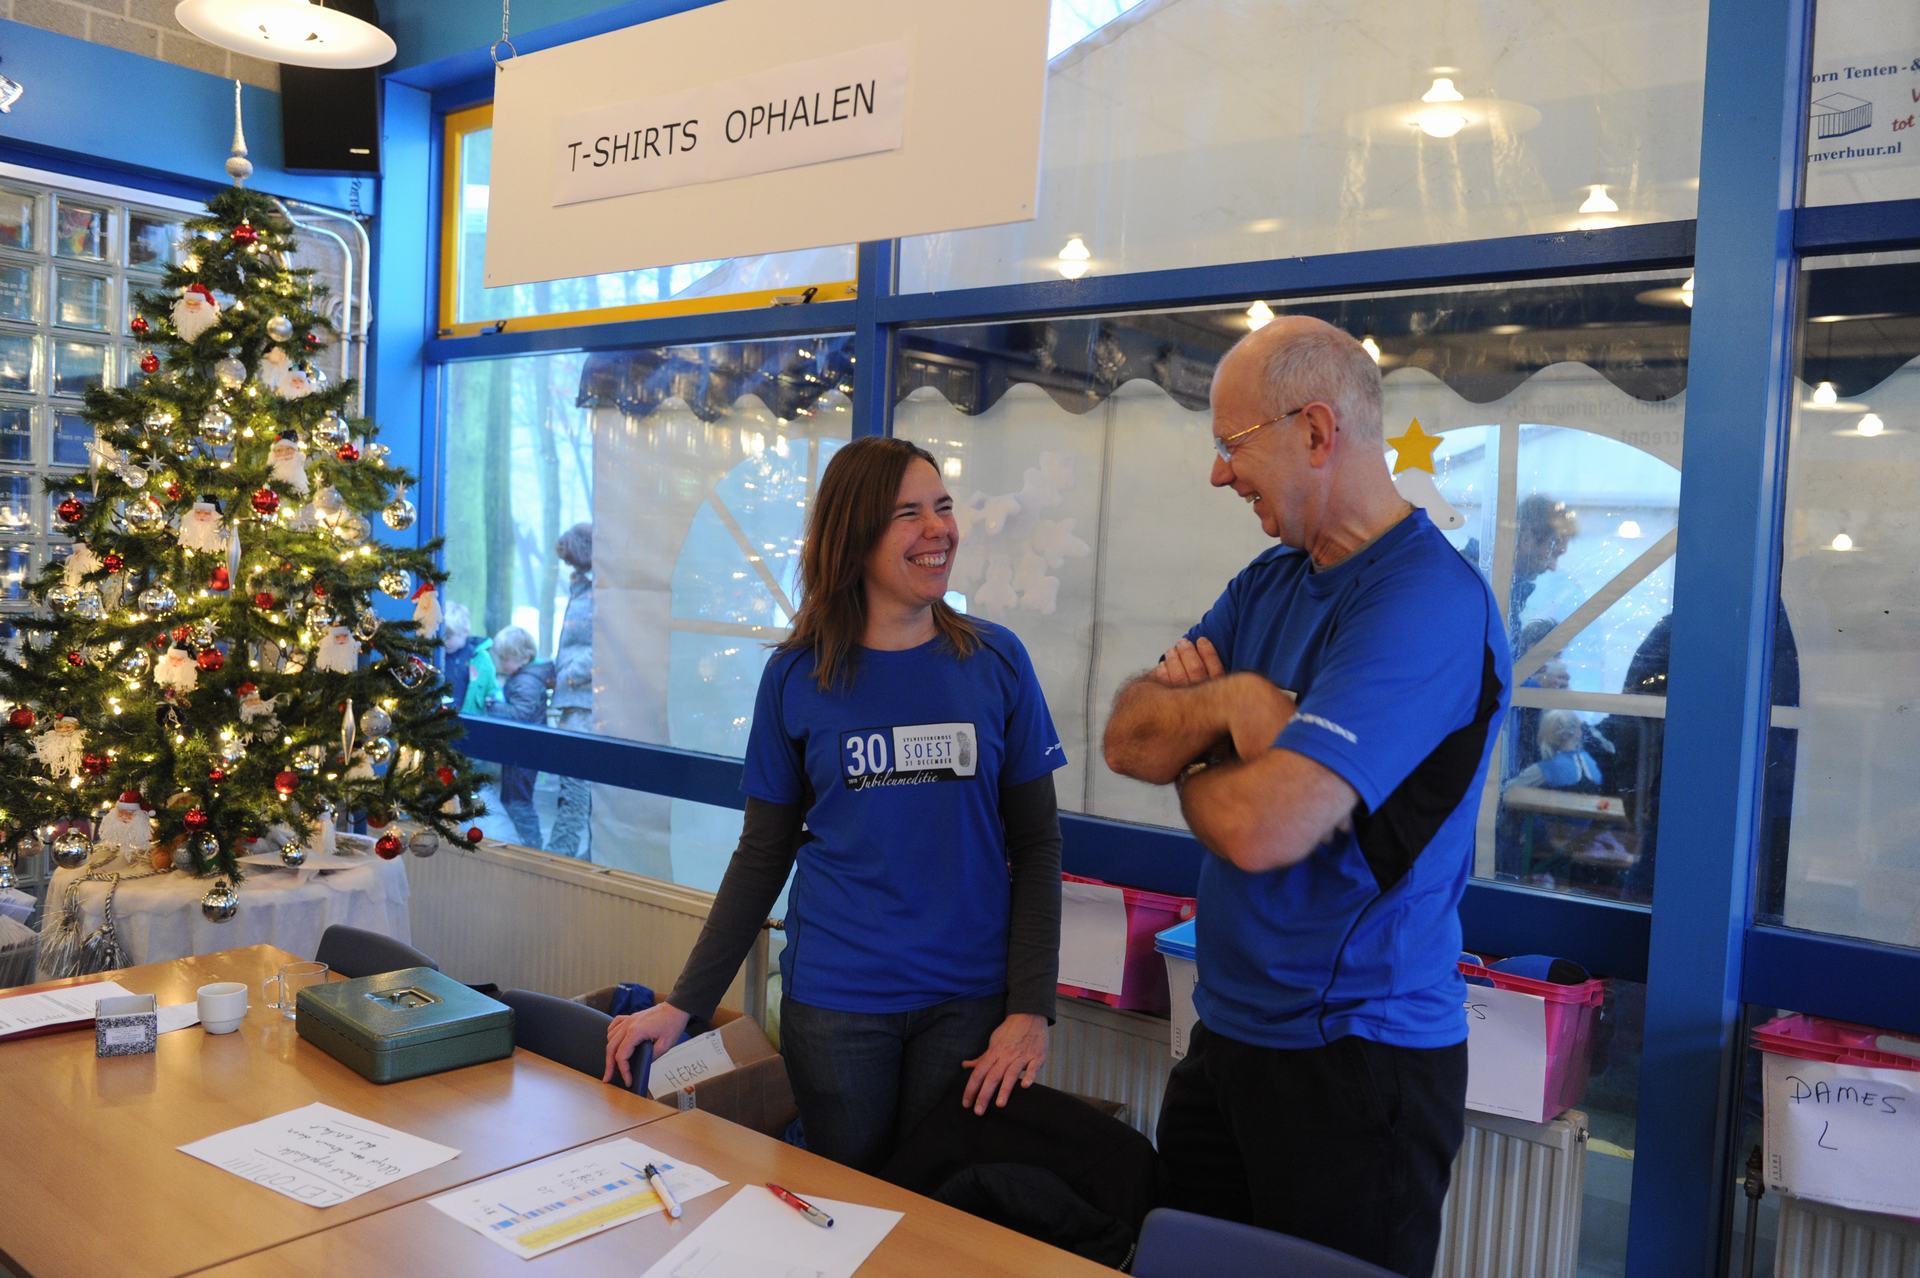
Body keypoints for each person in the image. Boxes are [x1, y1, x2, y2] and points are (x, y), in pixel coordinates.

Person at [1102, 317, 1511, 1278]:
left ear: (1318, 432)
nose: (1218, 475)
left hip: (1355, 1061)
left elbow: (1261, 827)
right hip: (1228, 1034)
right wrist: (1234, 704)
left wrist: (1195, 763)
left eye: (1232, 445)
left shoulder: (1426, 603)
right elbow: (1127, 736)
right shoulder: (1271, 582)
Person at [604, 436, 1066, 1175]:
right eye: (908, 514)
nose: (939, 529)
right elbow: (763, 853)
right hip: (838, 1005)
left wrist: (1030, 1008)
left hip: (969, 1001)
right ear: (855, 537)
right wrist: (684, 1004)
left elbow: (1038, 845)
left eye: (943, 507)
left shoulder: (996, 661)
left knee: (937, 1202)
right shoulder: (797, 677)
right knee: (846, 1198)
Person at [546, 523, 594, 859]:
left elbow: (603, 643)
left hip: (586, 702)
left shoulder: (600, 594)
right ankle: (566, 849)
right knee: (570, 781)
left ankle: (565, 851)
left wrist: (570, 675)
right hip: (572, 697)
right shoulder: (582, 590)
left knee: (576, 783)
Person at [489, 625, 550, 849]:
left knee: (518, 801)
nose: (502, 663)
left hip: (525, 751)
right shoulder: (522, 677)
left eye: (506, 658)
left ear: (524, 657)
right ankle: (525, 843)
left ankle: (532, 846)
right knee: (512, 799)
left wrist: (493, 706)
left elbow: (520, 714)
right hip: (520, 749)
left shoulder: (527, 681)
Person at [440, 600, 477, 712]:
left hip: (466, 716)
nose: (443, 641)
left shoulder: (476, 657)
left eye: (448, 637)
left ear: (465, 632)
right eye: (440, 635)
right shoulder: (437, 653)